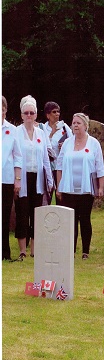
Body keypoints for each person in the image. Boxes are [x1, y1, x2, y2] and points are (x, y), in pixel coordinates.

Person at [56, 112, 104, 259]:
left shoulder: (94, 143)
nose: (75, 125)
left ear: (85, 125)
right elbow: (59, 166)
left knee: (84, 219)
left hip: (86, 188)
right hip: (68, 188)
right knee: (70, 220)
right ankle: (70, 249)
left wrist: (100, 187)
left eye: (78, 123)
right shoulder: (67, 143)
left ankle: (85, 251)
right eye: (73, 123)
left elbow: (100, 167)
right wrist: (59, 186)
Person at [13, 96, 53, 260]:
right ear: (22, 115)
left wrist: (50, 180)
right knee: (22, 213)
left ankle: (34, 250)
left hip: (37, 178)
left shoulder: (41, 133)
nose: (29, 115)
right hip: (22, 178)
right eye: (26, 113)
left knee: (36, 214)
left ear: (36, 115)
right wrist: (16, 179)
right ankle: (23, 249)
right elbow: (14, 156)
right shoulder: (16, 132)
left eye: (32, 113)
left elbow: (45, 159)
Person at [2, 96, 22, 260]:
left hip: (7, 179)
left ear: (5, 110)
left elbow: (18, 156)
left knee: (5, 215)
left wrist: (17, 178)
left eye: (2, 109)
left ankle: (5, 253)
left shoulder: (12, 130)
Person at [42, 101, 72, 204]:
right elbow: (43, 146)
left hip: (61, 167)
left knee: (61, 196)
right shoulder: (42, 129)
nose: (57, 114)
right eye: (54, 112)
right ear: (48, 115)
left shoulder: (65, 127)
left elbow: (73, 143)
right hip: (48, 168)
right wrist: (52, 133)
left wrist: (65, 145)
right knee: (48, 196)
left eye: (58, 112)